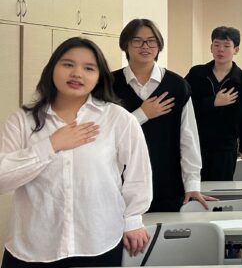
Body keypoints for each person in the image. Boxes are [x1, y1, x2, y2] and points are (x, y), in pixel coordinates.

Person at [0, 37, 152, 267]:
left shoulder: (118, 119)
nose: (77, 74)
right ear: (52, 68)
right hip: (33, 247)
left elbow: (138, 173)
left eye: (89, 68)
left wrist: (133, 219)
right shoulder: (23, 120)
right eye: (68, 64)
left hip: (98, 241)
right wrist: (51, 145)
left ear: (99, 76)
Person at [112, 19, 213, 212]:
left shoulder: (177, 86)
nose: (145, 46)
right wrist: (142, 114)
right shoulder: (108, 84)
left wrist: (192, 184)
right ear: (125, 44)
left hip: (167, 182)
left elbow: (188, 138)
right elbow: (103, 135)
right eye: (137, 40)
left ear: (159, 46)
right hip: (119, 184)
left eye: (151, 41)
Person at [186, 26, 242, 181]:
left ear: (236, 50)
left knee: (220, 190)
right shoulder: (196, 74)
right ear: (211, 47)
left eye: (226, 46)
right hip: (196, 145)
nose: (220, 50)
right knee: (193, 189)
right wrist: (213, 102)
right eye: (216, 45)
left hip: (225, 149)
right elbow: (185, 106)